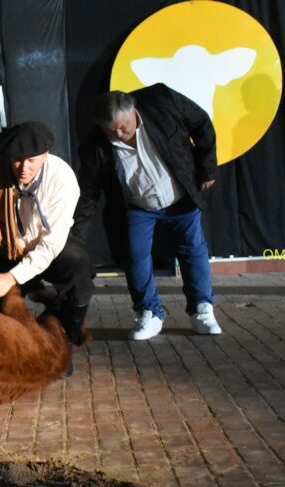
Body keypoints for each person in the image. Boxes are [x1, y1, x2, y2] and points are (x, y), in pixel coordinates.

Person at [75, 84, 222, 340]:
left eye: (124, 126)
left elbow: (201, 123)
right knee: (135, 254)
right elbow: (88, 194)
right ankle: (149, 313)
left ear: (134, 110)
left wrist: (207, 167)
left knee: (192, 248)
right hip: (137, 207)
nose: (120, 134)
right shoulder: (94, 146)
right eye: (112, 131)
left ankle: (202, 309)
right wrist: (75, 237)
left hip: (180, 196)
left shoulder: (161, 100)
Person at [0, 122, 94, 361]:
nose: (23, 168)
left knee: (79, 273)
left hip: (51, 248)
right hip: (10, 248)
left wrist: (10, 278)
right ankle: (34, 293)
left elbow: (51, 245)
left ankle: (61, 343)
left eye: (32, 160)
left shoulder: (62, 179)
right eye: (17, 160)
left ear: (46, 155)